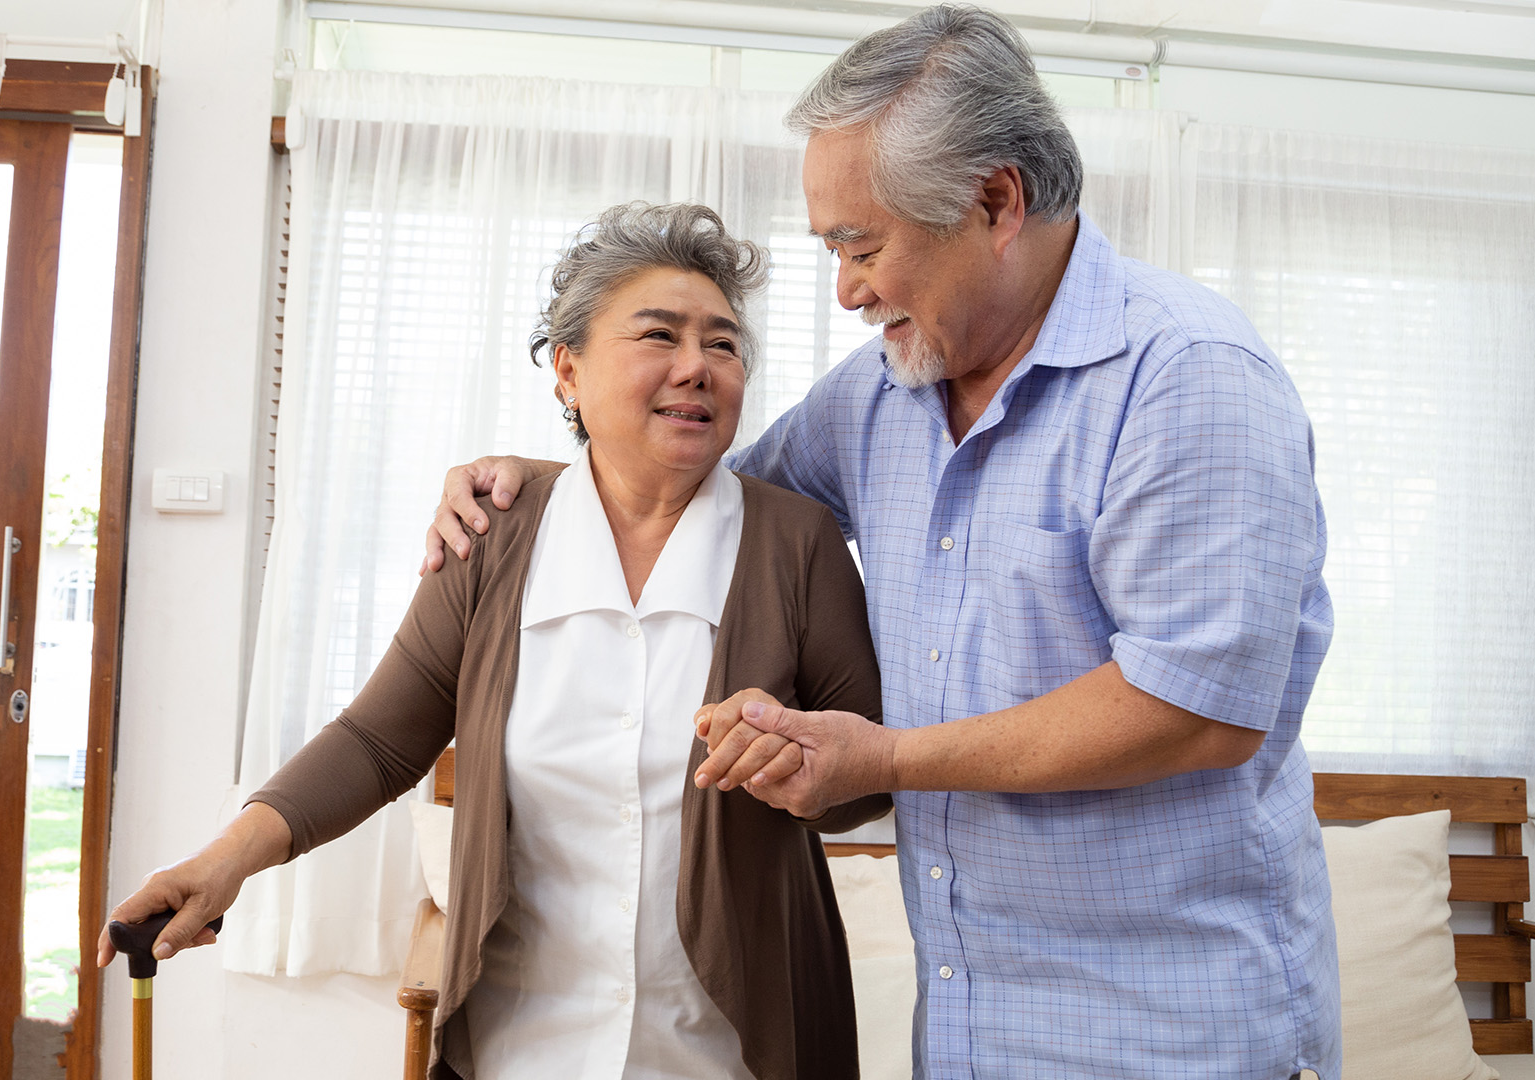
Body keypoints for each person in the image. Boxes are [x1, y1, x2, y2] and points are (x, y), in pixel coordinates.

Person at [423, 9, 1341, 1080]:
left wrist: (890, 759)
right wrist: (548, 482)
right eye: (832, 249)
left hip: (1175, 1035)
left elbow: (1195, 710)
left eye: (863, 245)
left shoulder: (1189, 378)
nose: (848, 288)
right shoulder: (881, 395)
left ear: (996, 202)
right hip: (967, 1035)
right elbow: (703, 493)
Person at [99, 202, 890, 1080]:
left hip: (735, 1052)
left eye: (725, 345)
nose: (697, 368)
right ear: (568, 371)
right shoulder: (493, 535)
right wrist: (223, 863)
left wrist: (798, 765)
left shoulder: (798, 542)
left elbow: (868, 776)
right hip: (523, 1047)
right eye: (659, 335)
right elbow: (377, 740)